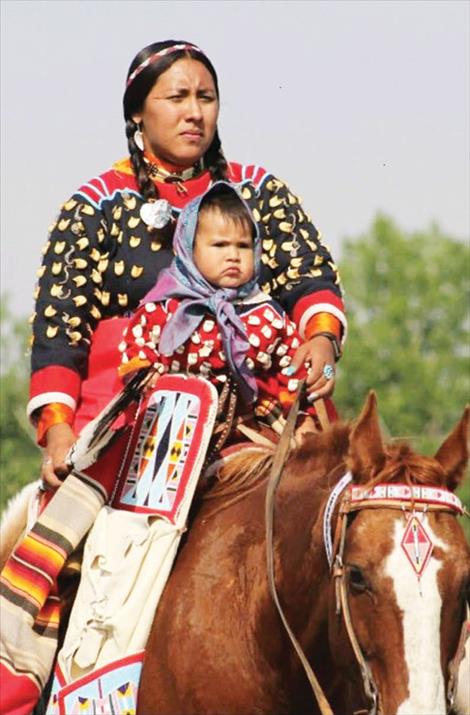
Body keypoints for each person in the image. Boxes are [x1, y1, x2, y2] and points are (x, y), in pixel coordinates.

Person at [0, 39, 346, 715]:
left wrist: (320, 340)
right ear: (139, 114)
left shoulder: (256, 192)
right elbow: (61, 328)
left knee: (363, 519)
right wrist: (60, 428)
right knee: (64, 535)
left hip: (265, 390)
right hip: (142, 406)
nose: (195, 113)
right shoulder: (97, 205)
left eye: (206, 98)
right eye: (177, 98)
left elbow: (311, 277)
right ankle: (34, 670)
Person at [119, 180, 327, 435]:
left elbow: (293, 369)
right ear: (188, 249)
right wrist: (143, 374)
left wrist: (303, 416)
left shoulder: (267, 315)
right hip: (165, 422)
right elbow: (137, 348)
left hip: (245, 427)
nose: (233, 256)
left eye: (243, 246)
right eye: (220, 245)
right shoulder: (163, 308)